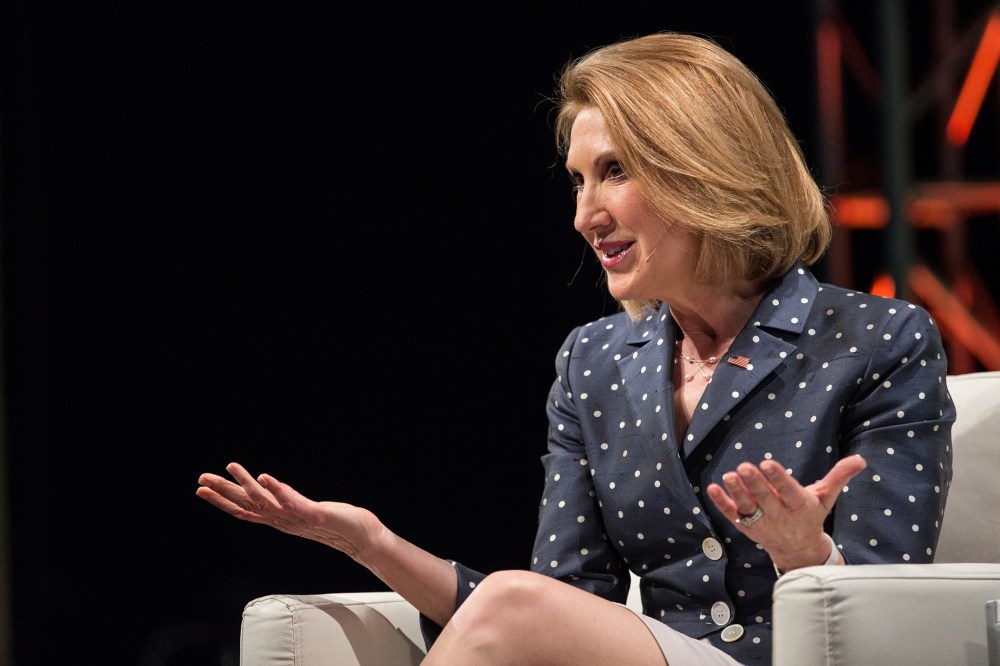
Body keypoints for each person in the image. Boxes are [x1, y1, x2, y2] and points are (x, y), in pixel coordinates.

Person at [196, 32, 955, 665]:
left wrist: (805, 556)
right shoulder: (593, 362)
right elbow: (562, 605)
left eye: (615, 172)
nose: (584, 215)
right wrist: (373, 542)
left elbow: (891, 609)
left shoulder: (879, 341)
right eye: (577, 181)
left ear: (707, 166)